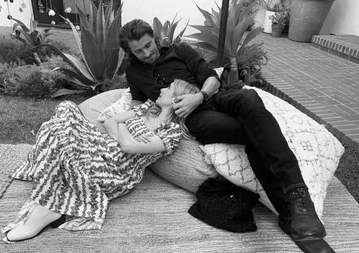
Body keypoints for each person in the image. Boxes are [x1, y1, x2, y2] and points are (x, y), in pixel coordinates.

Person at [119, 19, 334, 253]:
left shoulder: (179, 50)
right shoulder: (133, 71)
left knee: (250, 99)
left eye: (149, 45)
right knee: (257, 131)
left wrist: (199, 96)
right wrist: (137, 119)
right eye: (138, 51)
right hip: (195, 119)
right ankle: (293, 211)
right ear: (130, 53)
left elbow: (211, 77)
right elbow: (137, 100)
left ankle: (294, 201)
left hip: (212, 98)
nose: (147, 53)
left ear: (155, 38)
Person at [2, 79, 199, 243]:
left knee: (60, 137)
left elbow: (128, 149)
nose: (163, 89)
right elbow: (111, 121)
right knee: (66, 108)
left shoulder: (171, 134)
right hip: (102, 145)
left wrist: (124, 130)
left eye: (169, 88)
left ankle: (48, 207)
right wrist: (123, 133)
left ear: (177, 100)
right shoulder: (148, 109)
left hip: (115, 169)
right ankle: (51, 198)